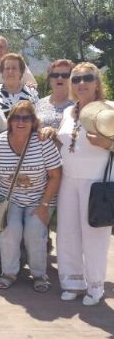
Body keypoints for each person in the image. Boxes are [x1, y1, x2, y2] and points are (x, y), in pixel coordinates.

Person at [41, 63, 114, 305]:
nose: (81, 83)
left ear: (97, 82)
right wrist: (52, 134)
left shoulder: (110, 109)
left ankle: (95, 287)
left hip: (97, 182)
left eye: (88, 78)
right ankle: (72, 281)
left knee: (94, 236)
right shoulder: (68, 112)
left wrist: (108, 145)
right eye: (77, 79)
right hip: (68, 180)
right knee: (68, 233)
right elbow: (67, 145)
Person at [0, 101, 62, 291]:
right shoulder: (0, 142)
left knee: (34, 233)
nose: (21, 121)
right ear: (10, 121)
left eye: (26, 117)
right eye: (17, 117)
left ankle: (38, 274)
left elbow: (55, 175)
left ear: (34, 122)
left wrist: (44, 205)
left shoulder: (43, 142)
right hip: (9, 198)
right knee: (11, 232)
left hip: (39, 198)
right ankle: (8, 272)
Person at [35, 59, 74, 129]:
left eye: (65, 75)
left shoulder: (77, 104)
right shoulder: (39, 103)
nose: (60, 78)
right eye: (55, 75)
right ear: (50, 79)